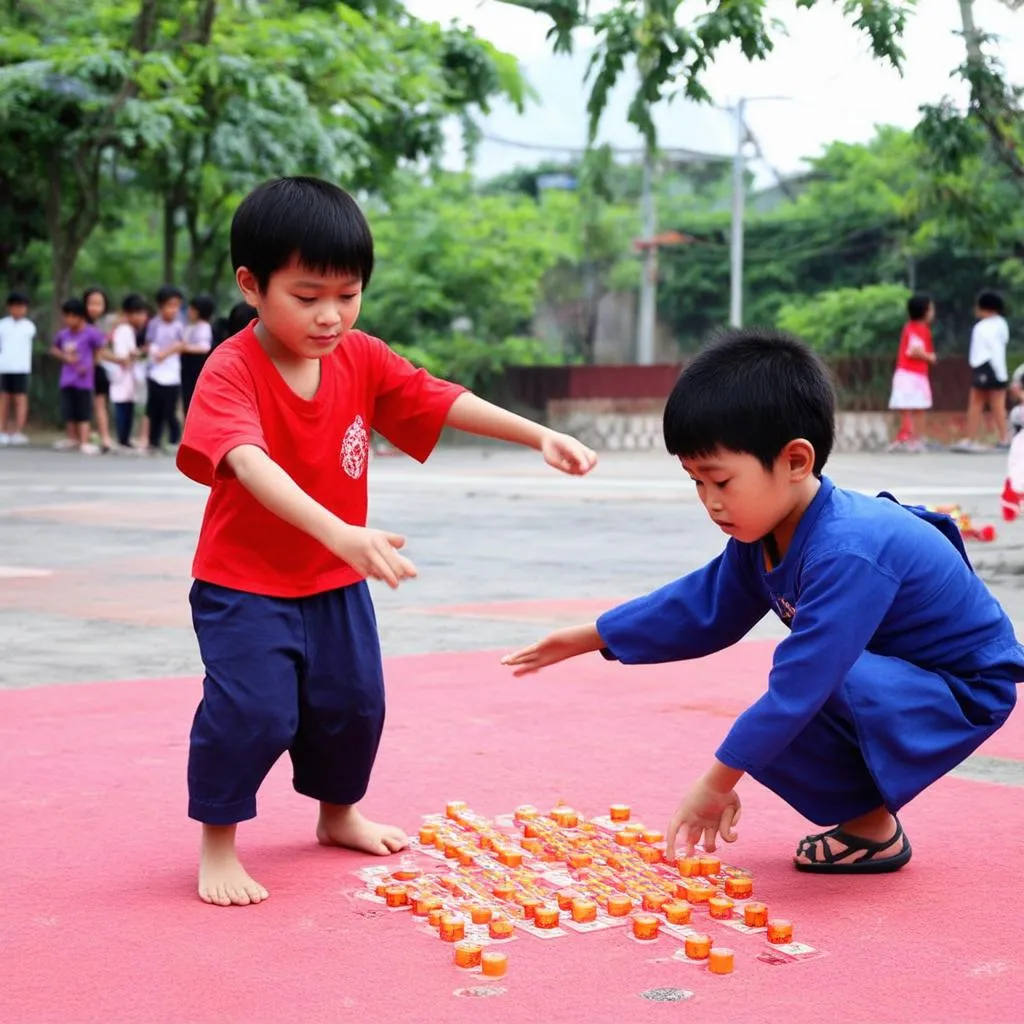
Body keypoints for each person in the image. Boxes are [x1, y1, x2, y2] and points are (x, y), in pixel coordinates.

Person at [176, 175, 597, 908]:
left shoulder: (361, 357)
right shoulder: (230, 370)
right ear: (251, 285)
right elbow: (247, 462)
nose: (331, 316)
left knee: (354, 704)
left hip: (335, 585)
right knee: (255, 712)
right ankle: (219, 840)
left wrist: (539, 433)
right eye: (307, 297)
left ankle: (337, 816)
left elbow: (438, 397)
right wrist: (342, 533)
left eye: (349, 294)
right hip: (244, 586)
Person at [502, 328, 1022, 875]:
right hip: (893, 676)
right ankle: (871, 825)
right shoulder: (768, 533)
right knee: (797, 694)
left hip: (960, 691)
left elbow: (803, 683)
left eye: (720, 480)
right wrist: (590, 637)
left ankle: (872, 832)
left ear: (796, 460)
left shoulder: (846, 550)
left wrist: (715, 784)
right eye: (696, 482)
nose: (709, 501)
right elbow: (703, 606)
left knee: (799, 689)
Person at [954, 290, 1010, 452]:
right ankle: (1004, 438)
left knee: (976, 403)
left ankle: (970, 438)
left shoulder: (981, 327)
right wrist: (1001, 373)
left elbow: (979, 352)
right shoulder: (1002, 324)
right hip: (1000, 368)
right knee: (998, 405)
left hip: (985, 366)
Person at [49, 298, 105, 454]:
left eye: (72, 316)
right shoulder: (63, 334)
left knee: (83, 412)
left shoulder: (91, 333)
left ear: (80, 317)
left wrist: (90, 365)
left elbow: (99, 350)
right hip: (67, 379)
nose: (68, 320)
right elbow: (54, 349)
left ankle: (84, 441)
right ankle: (72, 438)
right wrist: (64, 357)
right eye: (66, 316)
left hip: (84, 380)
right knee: (69, 411)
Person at [887, 292, 936, 453]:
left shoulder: (908, 327)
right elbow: (915, 350)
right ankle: (914, 439)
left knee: (906, 408)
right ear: (925, 311)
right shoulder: (921, 329)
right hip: (915, 375)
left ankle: (907, 437)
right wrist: (930, 357)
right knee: (918, 408)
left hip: (905, 374)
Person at [101, 294, 149, 450]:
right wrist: (136, 354)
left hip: (127, 375)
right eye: (139, 313)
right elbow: (123, 355)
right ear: (129, 314)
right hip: (121, 374)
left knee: (128, 406)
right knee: (122, 406)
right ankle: (123, 438)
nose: (142, 318)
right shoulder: (124, 330)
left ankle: (126, 438)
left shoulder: (128, 330)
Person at [145, 285, 185, 452]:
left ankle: (174, 439)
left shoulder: (179, 325)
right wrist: (156, 353)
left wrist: (166, 353)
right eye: (170, 305)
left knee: (170, 408)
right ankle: (153, 441)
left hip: (172, 372)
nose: (173, 310)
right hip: (155, 371)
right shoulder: (154, 324)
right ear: (161, 306)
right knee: (155, 408)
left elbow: (181, 344)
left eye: (176, 306)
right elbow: (149, 343)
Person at [0, 291, 36, 446]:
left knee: (20, 400)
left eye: (22, 307)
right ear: (9, 308)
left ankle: (17, 430)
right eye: (16, 307)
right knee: (4, 399)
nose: (19, 310)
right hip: (4, 367)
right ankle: (2, 430)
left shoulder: (29, 326)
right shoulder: (3, 325)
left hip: (21, 368)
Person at [84, 287, 116, 452]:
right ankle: (83, 437)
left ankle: (105, 437)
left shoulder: (107, 324)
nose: (95, 307)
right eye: (91, 303)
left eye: (99, 303)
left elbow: (104, 351)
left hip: (99, 369)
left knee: (100, 404)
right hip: (82, 371)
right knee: (84, 405)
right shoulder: (80, 324)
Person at [180, 295, 215, 414]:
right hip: (187, 369)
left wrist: (185, 348)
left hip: (196, 367)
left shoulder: (204, 327)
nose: (189, 311)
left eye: (192, 309)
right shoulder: (190, 327)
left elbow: (204, 347)